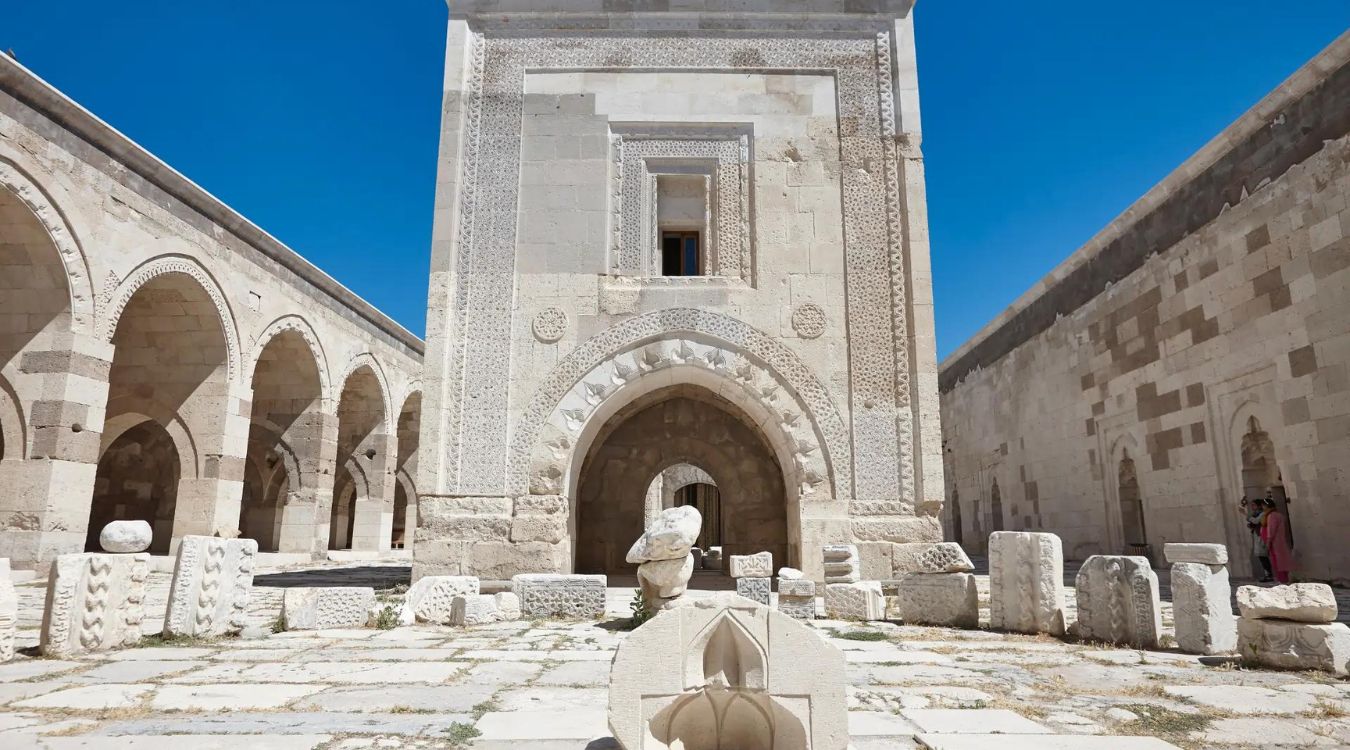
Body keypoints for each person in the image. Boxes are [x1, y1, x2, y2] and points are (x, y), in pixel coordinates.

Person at [1262, 496, 1293, 584]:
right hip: (1281, 541)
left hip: (1275, 542)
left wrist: (1268, 543)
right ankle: (1285, 578)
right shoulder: (1279, 515)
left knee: (1277, 561)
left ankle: (1281, 580)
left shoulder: (1271, 516)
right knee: (1282, 560)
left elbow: (1271, 530)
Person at [1245, 497, 1272, 582]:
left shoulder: (1263, 514)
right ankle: (1266, 573)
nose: (1252, 507)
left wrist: (1246, 514)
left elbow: (1256, 521)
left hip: (1262, 536)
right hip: (1257, 535)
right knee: (1260, 556)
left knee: (1263, 556)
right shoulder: (1256, 513)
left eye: (1254, 505)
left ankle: (1269, 574)